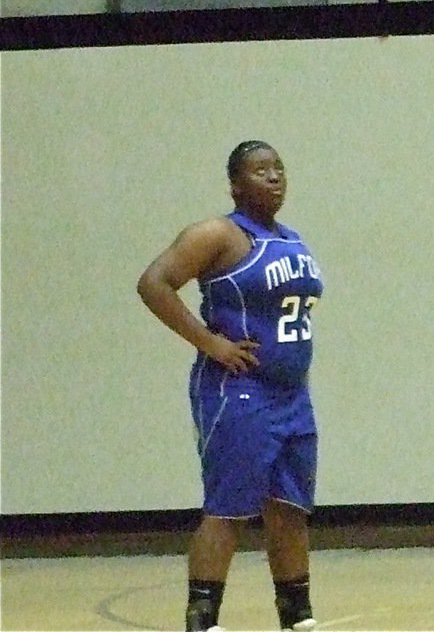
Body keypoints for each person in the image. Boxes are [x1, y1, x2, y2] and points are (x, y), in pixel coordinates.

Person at [137, 141, 324, 632]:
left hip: (292, 396)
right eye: (261, 170)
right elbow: (154, 282)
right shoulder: (218, 233)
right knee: (229, 508)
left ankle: (297, 615)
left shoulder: (290, 238)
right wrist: (210, 343)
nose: (274, 176)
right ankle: (202, 620)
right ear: (236, 184)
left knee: (289, 509)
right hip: (239, 392)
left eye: (279, 167)